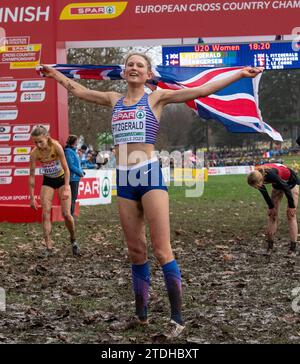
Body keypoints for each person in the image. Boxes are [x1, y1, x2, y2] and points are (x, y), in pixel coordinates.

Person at [39, 54, 263, 338]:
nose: (133, 68)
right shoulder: (112, 99)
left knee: (161, 250)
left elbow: (202, 90)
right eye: (130, 64)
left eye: (139, 65)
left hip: (148, 175)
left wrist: (240, 74)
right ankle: (141, 315)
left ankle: (177, 319)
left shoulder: (157, 98)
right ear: (123, 72)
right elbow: (78, 90)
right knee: (136, 252)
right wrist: (53, 74)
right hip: (124, 178)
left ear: (148, 74)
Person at [29, 126, 80, 256]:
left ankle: (73, 240)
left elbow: (66, 168)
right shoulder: (35, 153)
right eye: (35, 142)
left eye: (40, 141)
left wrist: (67, 188)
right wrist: (32, 197)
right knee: (45, 214)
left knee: (67, 214)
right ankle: (48, 246)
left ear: (47, 137)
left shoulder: (56, 146)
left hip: (62, 179)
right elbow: (32, 175)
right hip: (48, 181)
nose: (38, 145)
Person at [247, 163, 299, 256]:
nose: (256, 188)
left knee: (290, 214)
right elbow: (263, 192)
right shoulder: (256, 175)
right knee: (272, 215)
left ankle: (293, 249)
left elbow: (286, 187)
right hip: (278, 184)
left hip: (291, 182)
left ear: (261, 179)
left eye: (256, 186)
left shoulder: (270, 174)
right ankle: (269, 247)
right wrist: (271, 207)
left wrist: (291, 206)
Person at [64, 135, 85, 217]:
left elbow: (77, 164)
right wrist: (80, 172)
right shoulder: (68, 152)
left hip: (76, 177)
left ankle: (70, 214)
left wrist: (81, 171)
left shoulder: (74, 151)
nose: (77, 143)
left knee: (74, 197)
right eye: (76, 141)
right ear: (73, 142)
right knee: (72, 197)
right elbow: (71, 165)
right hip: (72, 178)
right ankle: (70, 214)